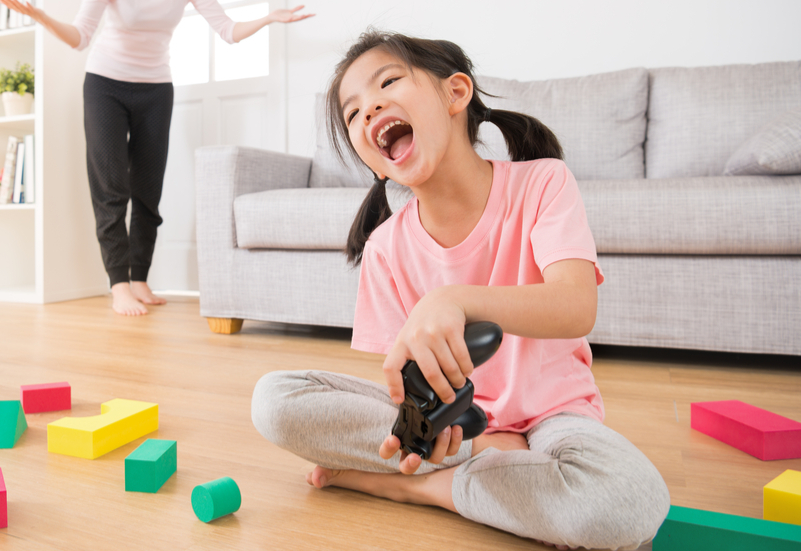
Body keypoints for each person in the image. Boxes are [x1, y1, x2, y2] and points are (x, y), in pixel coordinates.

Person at [251, 31, 670, 550]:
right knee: (275, 398)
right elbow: (406, 385)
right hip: (453, 431)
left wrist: (454, 299)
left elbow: (575, 306)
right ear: (373, 158)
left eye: (388, 82)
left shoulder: (544, 183)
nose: (371, 107)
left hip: (555, 419)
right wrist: (436, 426)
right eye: (354, 113)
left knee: (628, 503)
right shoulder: (385, 248)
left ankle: (424, 489)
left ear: (455, 94)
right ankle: (487, 473)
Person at [0, 0, 313, 315]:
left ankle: (140, 277)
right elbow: (80, 37)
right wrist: (41, 17)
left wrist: (268, 18)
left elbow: (226, 29)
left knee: (147, 190)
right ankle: (118, 284)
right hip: (105, 85)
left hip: (155, 89)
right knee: (112, 187)